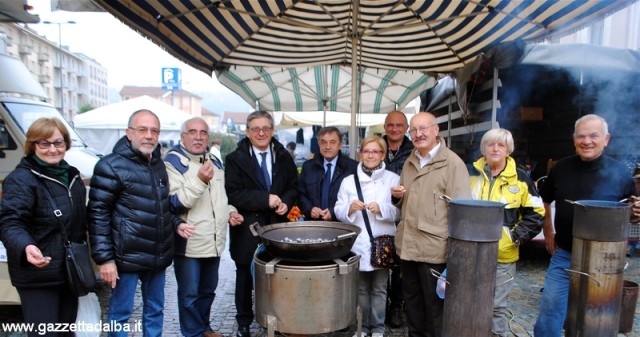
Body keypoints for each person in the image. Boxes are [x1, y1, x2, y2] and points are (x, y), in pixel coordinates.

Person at [88, 109, 192, 337]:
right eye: (142, 129)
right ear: (129, 133)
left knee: (155, 311)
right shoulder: (110, 166)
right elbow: (97, 215)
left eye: (154, 130)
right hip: (126, 257)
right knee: (120, 313)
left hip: (157, 254)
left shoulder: (157, 164)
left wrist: (175, 224)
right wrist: (105, 259)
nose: (149, 135)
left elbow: (160, 206)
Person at [533, 114, 640, 337]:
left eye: (594, 136)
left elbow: (630, 212)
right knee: (550, 308)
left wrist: (636, 214)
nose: (587, 141)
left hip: (605, 261)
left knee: (597, 317)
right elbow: (544, 200)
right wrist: (548, 230)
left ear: (606, 138)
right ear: (574, 139)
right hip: (565, 254)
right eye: (581, 136)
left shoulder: (620, 172)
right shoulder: (561, 168)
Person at [0, 118, 87, 337]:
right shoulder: (21, 179)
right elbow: (10, 222)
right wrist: (25, 246)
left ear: (66, 144)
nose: (52, 149)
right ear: (32, 145)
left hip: (68, 271)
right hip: (38, 273)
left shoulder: (72, 176)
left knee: (66, 333)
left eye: (58, 142)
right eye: (44, 143)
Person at [391, 112, 471, 337]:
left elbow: (462, 213)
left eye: (424, 128)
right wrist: (397, 198)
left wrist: (457, 256)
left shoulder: (452, 163)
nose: (418, 134)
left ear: (436, 130)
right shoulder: (410, 160)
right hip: (409, 248)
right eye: (414, 130)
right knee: (414, 310)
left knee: (436, 313)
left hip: (435, 251)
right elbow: (409, 204)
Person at [165, 117, 244, 337]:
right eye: (193, 132)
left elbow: (221, 198)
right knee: (189, 294)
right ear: (183, 136)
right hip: (190, 242)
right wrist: (199, 180)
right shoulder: (173, 163)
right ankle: (193, 333)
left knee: (208, 291)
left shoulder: (214, 161)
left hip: (214, 240)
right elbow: (174, 203)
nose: (198, 137)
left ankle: (204, 327)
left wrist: (231, 212)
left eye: (203, 133)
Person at [224, 111, 298, 337]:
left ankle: (278, 317)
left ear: (273, 130)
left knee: (278, 274)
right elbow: (233, 194)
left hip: (277, 226)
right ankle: (244, 322)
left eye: (266, 128)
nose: (261, 132)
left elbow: (293, 186)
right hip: (247, 227)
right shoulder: (235, 159)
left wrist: (286, 201)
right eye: (255, 128)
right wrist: (264, 199)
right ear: (247, 132)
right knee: (245, 275)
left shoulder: (284, 156)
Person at [468, 128, 544, 337]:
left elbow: (536, 213)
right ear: (483, 148)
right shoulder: (468, 173)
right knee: (470, 302)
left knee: (497, 306)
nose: (495, 148)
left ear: (508, 150)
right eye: (491, 144)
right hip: (470, 253)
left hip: (503, 255)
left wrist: (514, 237)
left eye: (500, 145)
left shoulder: (521, 179)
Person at [334, 135, 401, 337]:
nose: (370, 155)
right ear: (360, 153)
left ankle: (378, 327)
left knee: (380, 288)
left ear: (382, 154)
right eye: (366, 151)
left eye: (375, 151)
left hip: (382, 243)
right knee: (360, 289)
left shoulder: (393, 179)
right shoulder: (348, 181)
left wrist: (382, 209)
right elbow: (338, 209)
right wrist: (349, 209)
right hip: (358, 244)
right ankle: (362, 326)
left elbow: (399, 212)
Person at [382, 110, 413, 328]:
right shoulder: (376, 146)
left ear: (406, 128)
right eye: (390, 125)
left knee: (400, 266)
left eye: (399, 125)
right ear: (385, 127)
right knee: (379, 260)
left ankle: (396, 307)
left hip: (405, 213)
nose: (394, 129)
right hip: (379, 213)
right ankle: (380, 305)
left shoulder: (413, 151)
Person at [298, 127, 358, 221]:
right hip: (313, 225)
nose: (327, 146)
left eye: (332, 142)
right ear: (319, 144)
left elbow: (356, 198)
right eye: (323, 142)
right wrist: (310, 209)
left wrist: (334, 212)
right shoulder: (308, 167)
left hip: (341, 225)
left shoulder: (352, 168)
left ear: (340, 145)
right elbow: (300, 194)